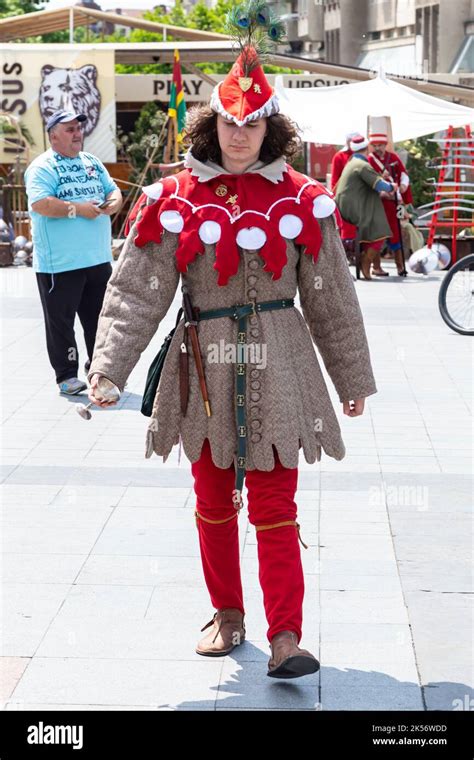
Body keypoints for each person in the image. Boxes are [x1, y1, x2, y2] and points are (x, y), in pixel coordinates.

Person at [87, 29, 378, 680]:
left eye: (251, 125)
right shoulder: (174, 199)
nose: (239, 135)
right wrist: (109, 365)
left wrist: (351, 377)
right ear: (212, 126)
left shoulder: (304, 200)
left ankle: (286, 636)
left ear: (269, 129)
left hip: (282, 361)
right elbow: (139, 289)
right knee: (213, 499)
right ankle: (228, 614)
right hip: (204, 368)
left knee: (277, 504)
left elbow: (330, 295)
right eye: (228, 124)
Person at [24, 109, 123, 395]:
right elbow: (41, 203)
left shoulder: (91, 162)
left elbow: (113, 191)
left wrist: (113, 203)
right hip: (60, 263)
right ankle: (66, 375)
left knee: (100, 319)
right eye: (69, 129)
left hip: (97, 260)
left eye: (79, 127)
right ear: (53, 135)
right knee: (61, 323)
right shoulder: (43, 166)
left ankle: (99, 371)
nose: (77, 132)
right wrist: (78, 210)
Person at [335, 135, 398, 280]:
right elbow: (379, 184)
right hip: (355, 208)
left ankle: (365, 258)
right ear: (367, 148)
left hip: (349, 206)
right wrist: (391, 186)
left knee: (375, 226)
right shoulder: (362, 165)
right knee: (381, 230)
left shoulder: (352, 162)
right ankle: (366, 260)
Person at [368, 130, 413, 276]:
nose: (377, 148)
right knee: (378, 235)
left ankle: (400, 266)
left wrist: (404, 185)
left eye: (380, 145)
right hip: (378, 204)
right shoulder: (369, 160)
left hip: (395, 203)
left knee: (397, 232)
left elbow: (403, 174)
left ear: (385, 144)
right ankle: (376, 267)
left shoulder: (393, 157)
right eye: (375, 145)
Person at [330, 131, 359, 254]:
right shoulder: (339, 156)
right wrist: (336, 195)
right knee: (347, 226)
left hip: (360, 195)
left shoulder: (361, 155)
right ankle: (347, 252)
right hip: (346, 195)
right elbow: (335, 178)